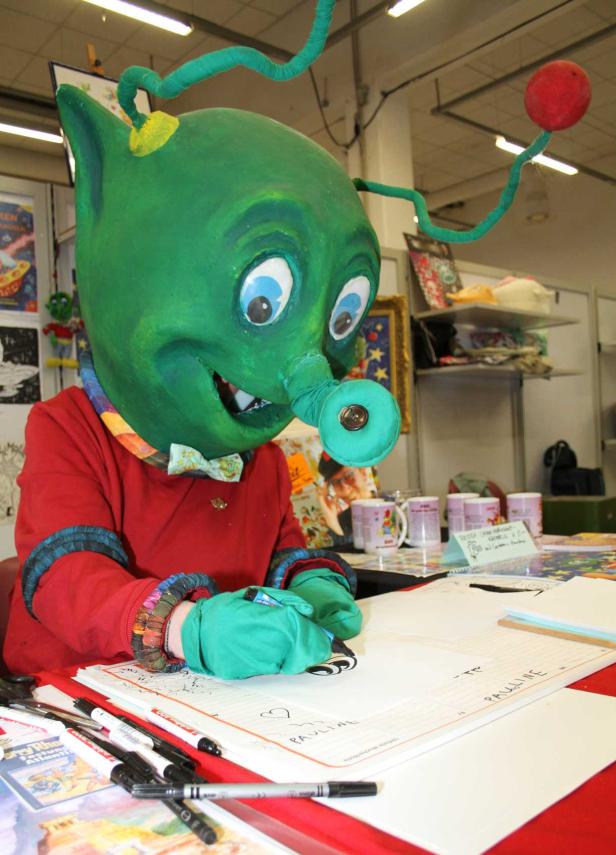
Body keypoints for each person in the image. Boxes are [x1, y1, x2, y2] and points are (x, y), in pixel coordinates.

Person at [317, 454, 376, 545]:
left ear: (362, 471)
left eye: (349, 475)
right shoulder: (341, 522)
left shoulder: (392, 507)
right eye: (336, 482)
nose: (345, 489)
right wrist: (333, 523)